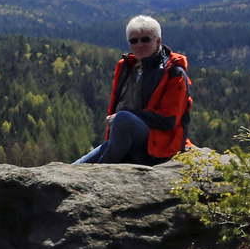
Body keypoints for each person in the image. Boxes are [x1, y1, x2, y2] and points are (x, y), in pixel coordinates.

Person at [74, 15, 192, 165]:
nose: (139, 44)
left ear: (158, 41)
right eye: (134, 41)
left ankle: (101, 171)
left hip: (159, 144)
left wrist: (124, 117)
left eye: (145, 39)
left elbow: (168, 120)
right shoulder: (127, 67)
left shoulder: (173, 72)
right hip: (129, 139)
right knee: (74, 167)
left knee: (124, 118)